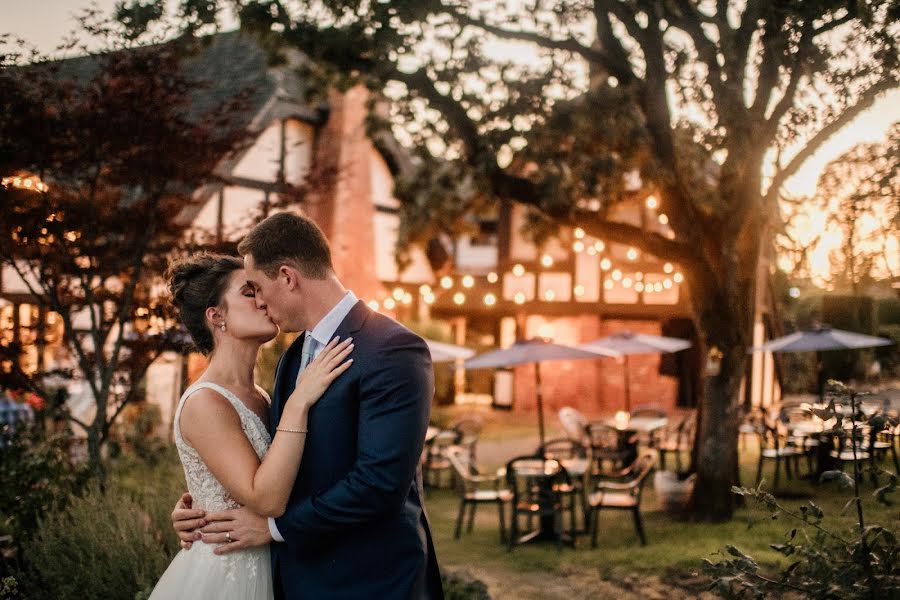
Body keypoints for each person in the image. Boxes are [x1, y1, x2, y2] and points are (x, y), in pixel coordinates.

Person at [171, 212, 443, 599]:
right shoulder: (293, 358)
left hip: (371, 583)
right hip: (294, 578)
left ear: (287, 277)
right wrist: (199, 506)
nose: (261, 302)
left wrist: (274, 529)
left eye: (257, 288)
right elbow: (270, 464)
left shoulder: (392, 349)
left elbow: (379, 484)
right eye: (248, 292)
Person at [149, 253, 354, 599]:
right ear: (216, 317)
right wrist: (298, 403)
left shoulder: (261, 395)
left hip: (274, 564)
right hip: (225, 573)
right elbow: (266, 499)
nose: (263, 301)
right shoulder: (205, 403)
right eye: (249, 292)